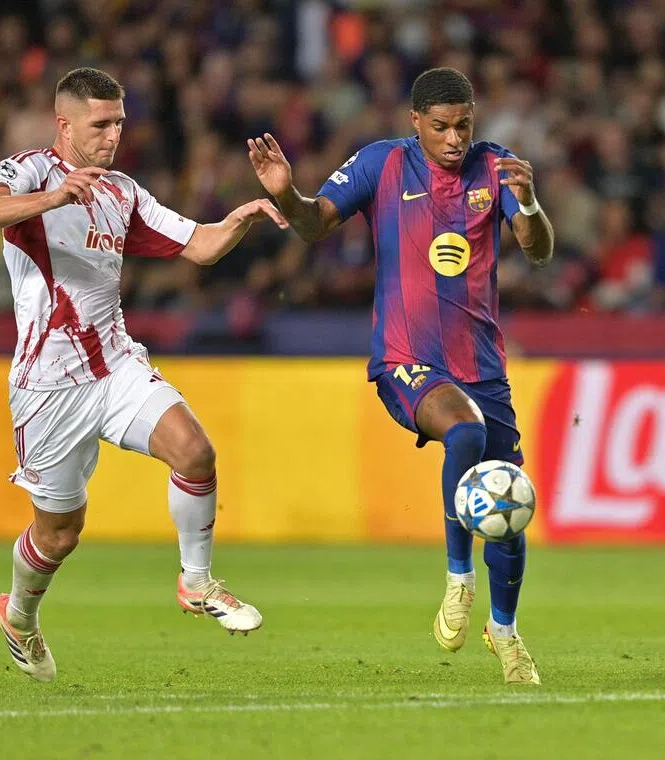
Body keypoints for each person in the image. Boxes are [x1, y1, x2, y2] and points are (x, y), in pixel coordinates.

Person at [0, 67, 288, 682]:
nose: (114, 135)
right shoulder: (30, 170)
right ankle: (20, 615)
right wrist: (55, 197)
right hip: (47, 385)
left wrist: (242, 218)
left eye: (119, 122)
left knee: (195, 452)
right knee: (60, 533)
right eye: (100, 124)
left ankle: (196, 583)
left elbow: (197, 244)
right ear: (64, 124)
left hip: (115, 364)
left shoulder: (121, 192)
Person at [248, 67, 554, 684]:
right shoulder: (381, 165)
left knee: (508, 503)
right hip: (405, 359)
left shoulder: (497, 167)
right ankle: (457, 581)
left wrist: (532, 204)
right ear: (415, 122)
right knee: (464, 436)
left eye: (463, 125)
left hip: (483, 367)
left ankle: (505, 631)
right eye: (440, 127)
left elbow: (538, 249)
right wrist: (286, 194)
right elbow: (312, 225)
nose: (454, 139)